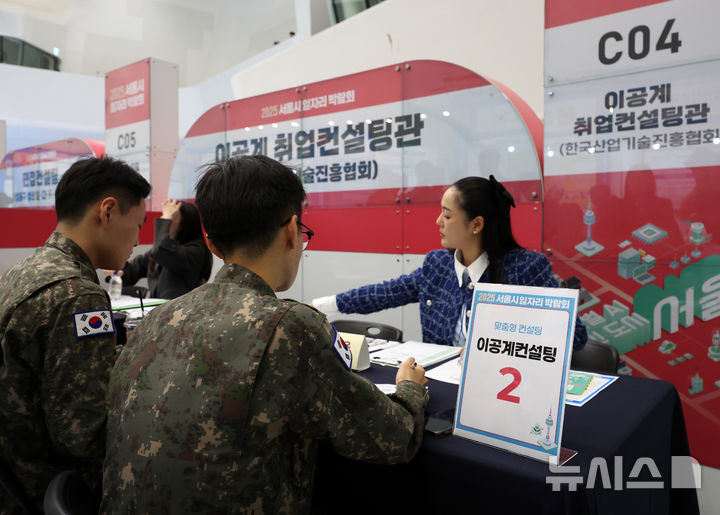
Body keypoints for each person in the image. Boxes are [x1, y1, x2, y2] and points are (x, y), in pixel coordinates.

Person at [101, 155, 429, 514]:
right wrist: (409, 389)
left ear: (212, 244)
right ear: (291, 230)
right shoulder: (290, 327)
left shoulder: (157, 318)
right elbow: (392, 438)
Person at [0, 156, 150, 512]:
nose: (138, 239)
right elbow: (84, 435)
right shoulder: (78, 295)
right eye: (138, 224)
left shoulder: (25, 271)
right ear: (107, 211)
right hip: (46, 489)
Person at [313, 175, 588, 350]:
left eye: (447, 215)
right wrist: (321, 307)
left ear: (476, 224)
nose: (438, 222)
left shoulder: (526, 268)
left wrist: (500, 346)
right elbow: (386, 292)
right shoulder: (438, 265)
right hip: (440, 387)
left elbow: (574, 336)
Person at [114, 198, 212, 299]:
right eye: (164, 216)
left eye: (169, 217)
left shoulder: (196, 250)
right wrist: (116, 269)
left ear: (184, 224)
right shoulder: (162, 248)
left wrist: (166, 219)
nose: (163, 219)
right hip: (158, 307)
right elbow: (132, 272)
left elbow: (163, 252)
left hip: (182, 307)